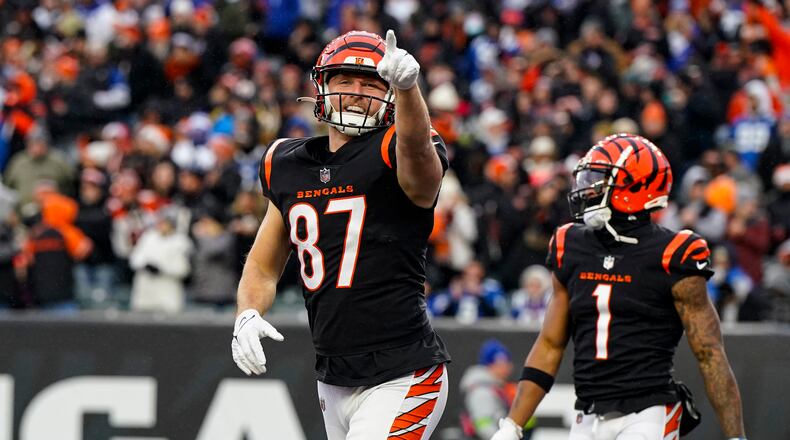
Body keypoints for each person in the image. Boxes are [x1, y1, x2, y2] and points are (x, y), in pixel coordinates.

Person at [231, 30, 451, 439]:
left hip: (402, 370)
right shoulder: (286, 162)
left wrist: (407, 90)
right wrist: (247, 312)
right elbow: (262, 264)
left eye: (371, 83)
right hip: (332, 376)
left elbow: (419, 157)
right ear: (322, 87)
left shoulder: (397, 147)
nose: (357, 92)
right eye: (345, 80)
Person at [491, 134, 747, 440]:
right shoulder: (569, 245)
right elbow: (550, 344)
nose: (587, 188)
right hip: (587, 414)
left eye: (599, 179)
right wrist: (512, 425)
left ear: (635, 188)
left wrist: (736, 437)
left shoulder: (672, 254)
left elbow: (710, 354)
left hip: (648, 414)